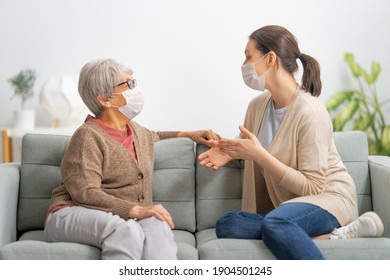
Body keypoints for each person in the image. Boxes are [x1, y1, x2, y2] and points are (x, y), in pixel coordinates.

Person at [198, 25, 384, 260]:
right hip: (289, 209)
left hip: (329, 201)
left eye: (248, 56)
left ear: (270, 59)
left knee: (275, 222)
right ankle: (334, 236)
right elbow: (249, 142)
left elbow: (313, 187)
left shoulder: (310, 111)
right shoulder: (257, 106)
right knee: (228, 224)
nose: (244, 64)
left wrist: (259, 155)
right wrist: (227, 150)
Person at [44, 58, 220, 260]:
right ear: (105, 99)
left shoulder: (136, 131)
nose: (134, 88)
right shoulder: (87, 136)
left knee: (158, 228)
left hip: (122, 214)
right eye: (127, 84)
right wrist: (134, 210)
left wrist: (188, 134)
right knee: (125, 231)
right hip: (70, 212)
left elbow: (156, 135)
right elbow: (85, 193)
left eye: (133, 82)